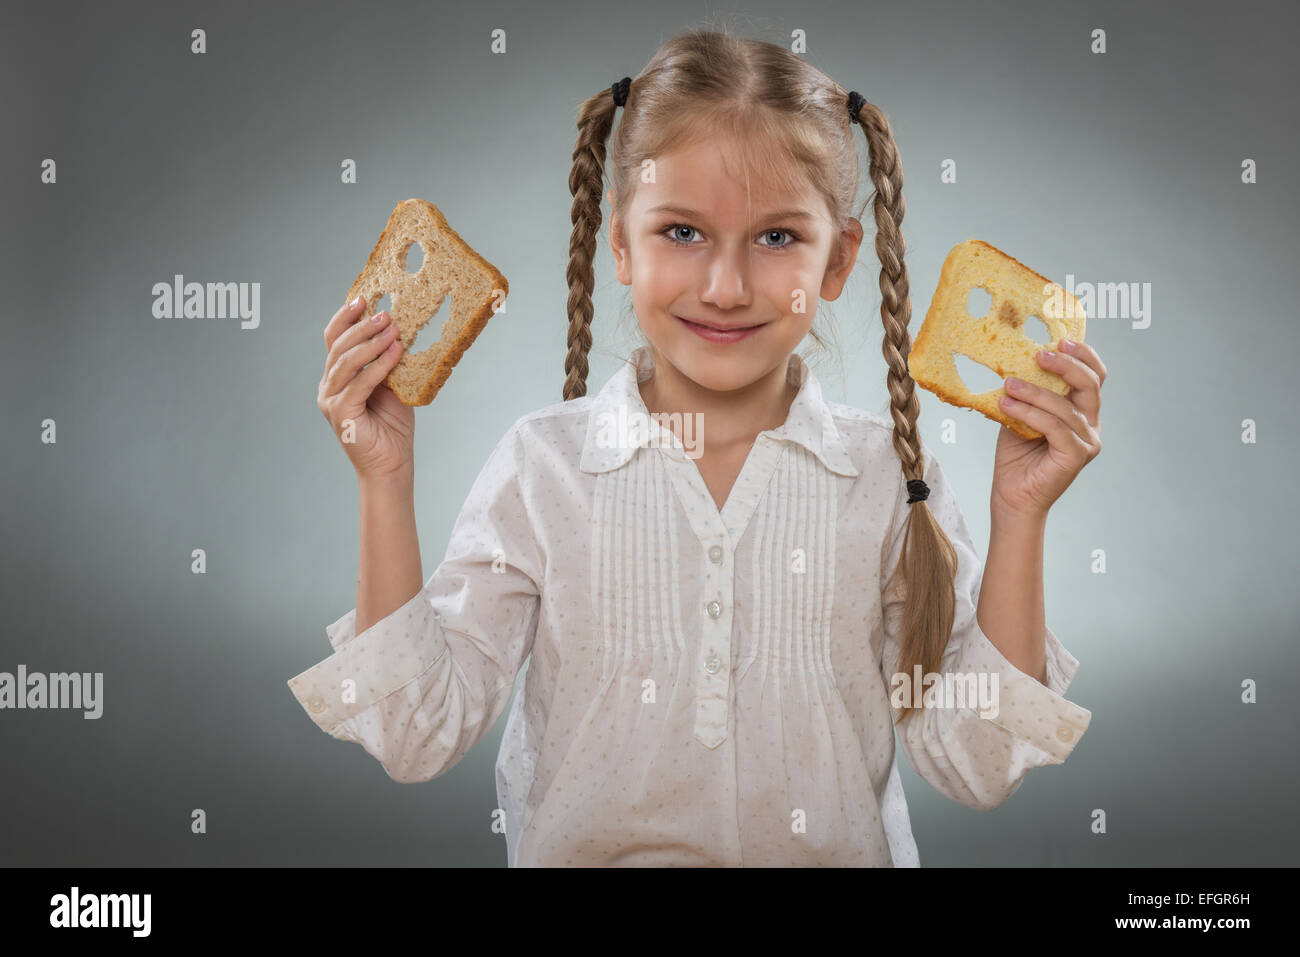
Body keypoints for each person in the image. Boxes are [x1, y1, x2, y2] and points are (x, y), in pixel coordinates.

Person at [291, 28, 1106, 867]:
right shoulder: (544, 469)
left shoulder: (887, 480)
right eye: (681, 232)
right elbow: (415, 732)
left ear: (839, 260)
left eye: (777, 237)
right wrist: (383, 482)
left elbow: (974, 762)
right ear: (619, 244)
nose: (725, 286)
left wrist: (1021, 514)